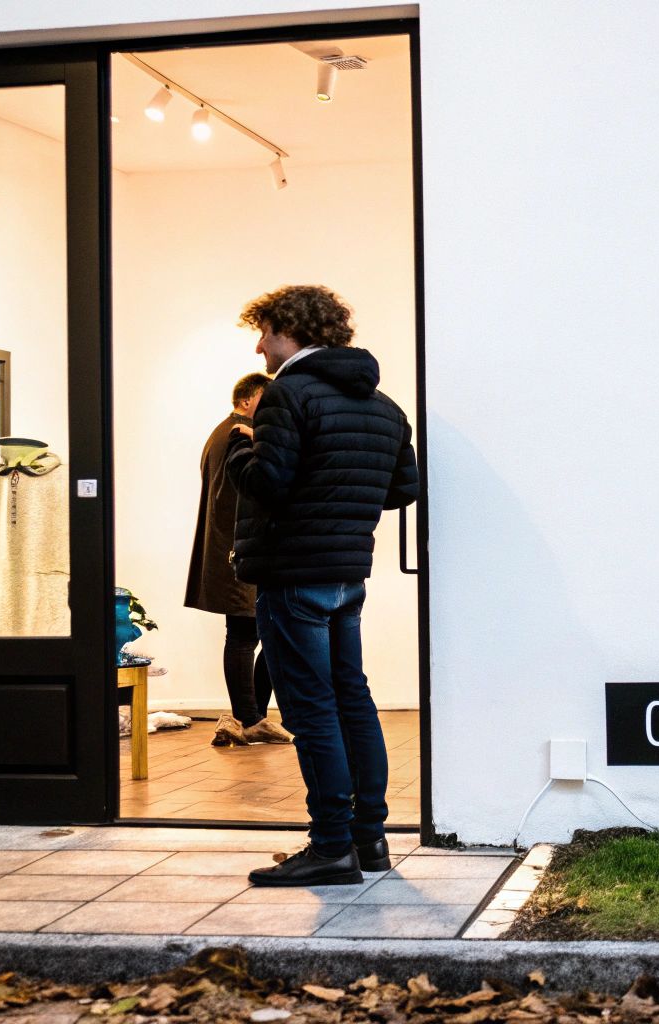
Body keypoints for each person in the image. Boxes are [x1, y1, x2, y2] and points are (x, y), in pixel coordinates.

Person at [224, 285, 419, 887]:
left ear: (292, 330)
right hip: (345, 577)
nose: (259, 346)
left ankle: (332, 844)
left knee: (310, 713)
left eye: (265, 332)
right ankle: (370, 841)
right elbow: (401, 488)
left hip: (292, 576)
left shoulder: (288, 394)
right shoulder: (384, 406)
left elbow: (271, 482)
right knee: (353, 702)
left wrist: (240, 452)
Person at [184, 372, 292, 747]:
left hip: (234, 546)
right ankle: (249, 717)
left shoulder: (223, 432)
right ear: (249, 400)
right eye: (268, 399)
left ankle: (250, 715)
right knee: (249, 635)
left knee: (262, 633)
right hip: (240, 548)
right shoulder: (236, 432)